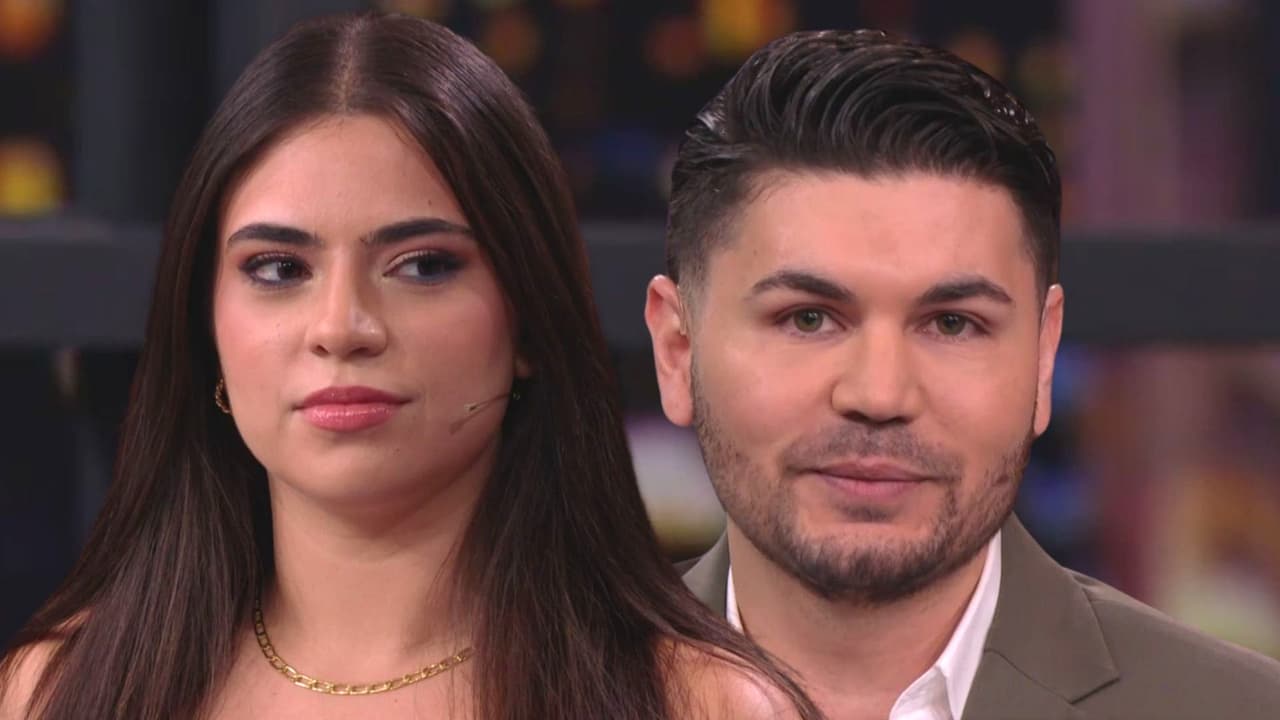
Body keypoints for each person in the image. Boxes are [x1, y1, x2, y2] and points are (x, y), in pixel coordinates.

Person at [0, 13, 820, 720]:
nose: (341, 328)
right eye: (279, 269)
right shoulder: (60, 690)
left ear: (528, 319)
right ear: (206, 325)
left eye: (422, 265)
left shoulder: (700, 703)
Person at [645, 28, 1280, 720]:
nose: (880, 394)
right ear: (677, 350)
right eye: (808, 319)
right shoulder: (554, 688)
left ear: (1043, 358)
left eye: (952, 324)